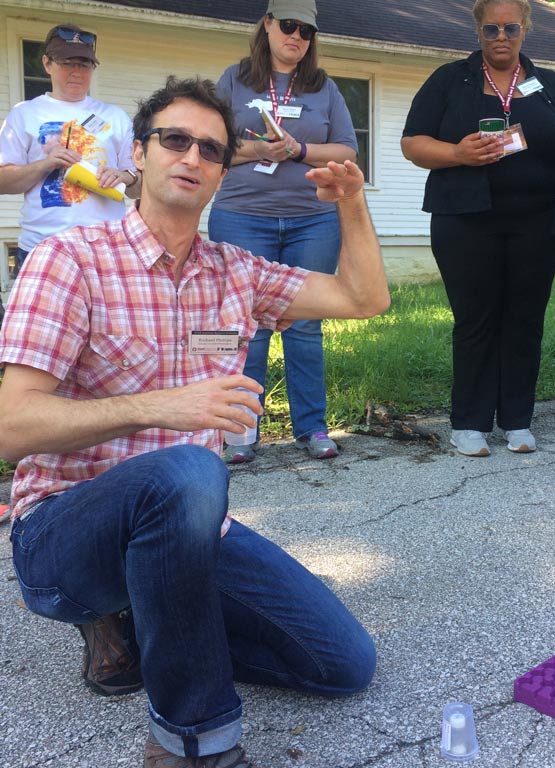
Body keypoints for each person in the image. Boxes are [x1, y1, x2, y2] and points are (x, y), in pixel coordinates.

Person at [0, 75, 388, 768]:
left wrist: (352, 205)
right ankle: (194, 741)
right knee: (187, 465)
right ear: (140, 154)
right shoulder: (70, 261)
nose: (192, 156)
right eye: (174, 139)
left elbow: (364, 298)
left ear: (221, 172)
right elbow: (11, 426)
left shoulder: (235, 273)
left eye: (211, 149)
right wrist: (164, 407)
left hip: (189, 527)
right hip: (65, 537)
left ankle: (153, 621)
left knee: (344, 664)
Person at [401, 0, 555, 458]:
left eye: (510, 28)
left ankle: (517, 420)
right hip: (466, 221)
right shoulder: (450, 80)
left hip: (539, 224)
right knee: (475, 321)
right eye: (491, 30)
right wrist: (457, 154)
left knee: (525, 321)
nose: (501, 37)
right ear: (478, 32)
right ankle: (468, 422)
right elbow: (412, 143)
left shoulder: (553, 86)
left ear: (525, 29)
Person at [208, 0, 358, 464]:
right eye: (288, 26)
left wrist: (300, 149)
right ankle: (239, 432)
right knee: (244, 325)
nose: (296, 37)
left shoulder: (323, 86)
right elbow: (212, 148)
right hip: (241, 214)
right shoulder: (233, 80)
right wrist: (256, 148)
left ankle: (312, 428)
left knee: (306, 325)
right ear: (268, 25)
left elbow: (348, 149)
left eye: (306, 31)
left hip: (311, 219)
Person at [0, 23, 139, 270]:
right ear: (47, 64)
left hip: (107, 251)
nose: (76, 71)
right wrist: (45, 164)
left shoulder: (115, 116)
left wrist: (125, 177)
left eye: (84, 64)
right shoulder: (24, 114)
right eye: (66, 62)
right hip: (43, 248)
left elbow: (137, 188)